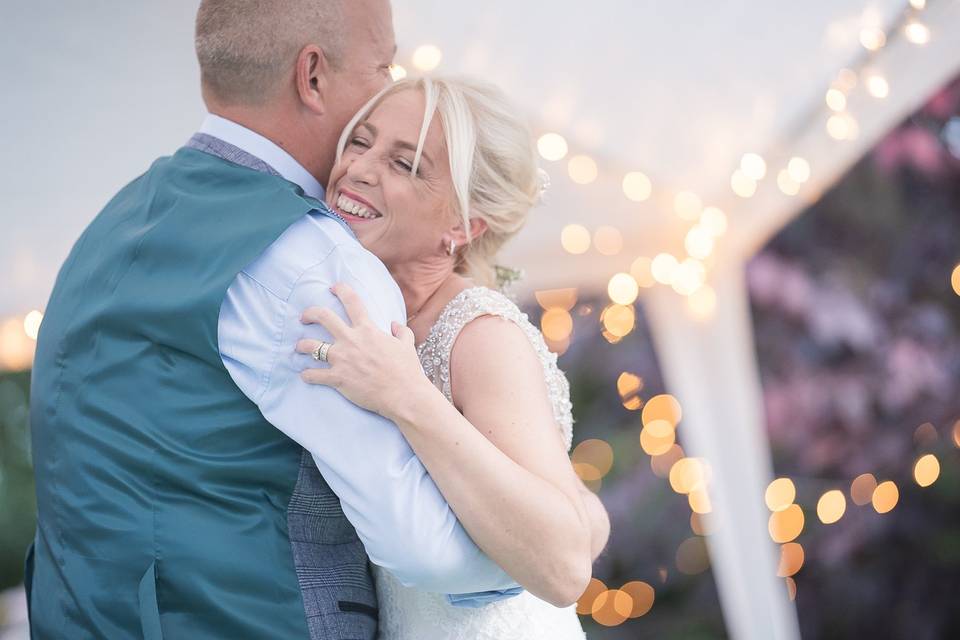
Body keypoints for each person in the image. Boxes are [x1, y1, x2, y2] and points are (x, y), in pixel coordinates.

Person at [26, 2, 528, 638]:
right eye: (383, 65)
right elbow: (422, 545)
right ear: (312, 75)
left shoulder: (114, 222)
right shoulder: (310, 258)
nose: (390, 85)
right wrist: (534, 560)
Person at [296, 76, 611, 639]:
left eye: (406, 165)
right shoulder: (374, 310)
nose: (359, 169)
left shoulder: (478, 332)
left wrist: (407, 395)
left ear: (463, 227)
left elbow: (566, 567)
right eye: (360, 142)